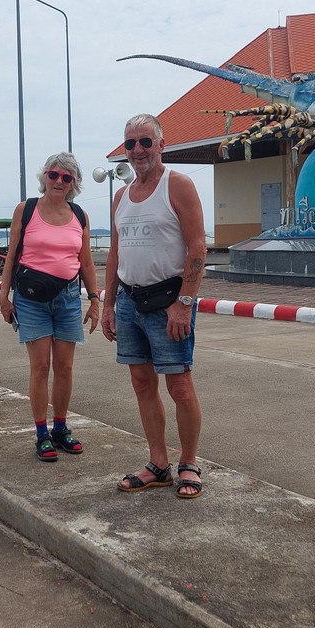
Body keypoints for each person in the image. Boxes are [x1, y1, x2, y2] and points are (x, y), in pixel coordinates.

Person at [102, 114, 207, 499]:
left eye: (145, 142)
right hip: (129, 302)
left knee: (179, 385)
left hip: (168, 303)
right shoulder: (121, 195)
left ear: (161, 144)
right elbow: (115, 253)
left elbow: (198, 247)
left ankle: (189, 463)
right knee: (142, 383)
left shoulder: (177, 185)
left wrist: (184, 304)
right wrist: (108, 303)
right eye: (130, 144)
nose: (137, 151)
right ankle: (158, 464)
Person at [0, 153, 100, 462]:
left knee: (65, 368)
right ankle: (41, 433)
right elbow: (12, 254)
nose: (58, 181)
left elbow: (85, 261)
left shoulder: (79, 215)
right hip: (31, 300)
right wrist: (4, 294)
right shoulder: (26, 210)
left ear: (74, 183)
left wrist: (94, 298)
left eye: (66, 177)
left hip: (68, 297)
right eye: (54, 175)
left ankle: (60, 428)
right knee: (40, 366)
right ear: (45, 177)